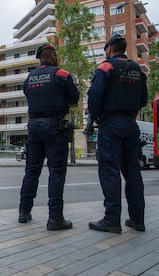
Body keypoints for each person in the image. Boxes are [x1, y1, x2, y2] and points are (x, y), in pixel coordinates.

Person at [87, 35, 147, 234]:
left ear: (110, 48)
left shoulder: (106, 67)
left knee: (110, 170)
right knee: (132, 171)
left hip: (111, 124)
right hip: (131, 124)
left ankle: (112, 219)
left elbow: (94, 96)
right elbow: (143, 99)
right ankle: (138, 219)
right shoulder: (138, 69)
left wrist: (95, 118)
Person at [19, 44, 79, 231]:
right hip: (54, 127)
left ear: (39, 58)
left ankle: (24, 212)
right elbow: (74, 98)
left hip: (34, 127)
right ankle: (55, 218)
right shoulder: (61, 74)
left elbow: (28, 95)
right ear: (52, 55)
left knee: (31, 171)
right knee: (57, 172)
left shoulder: (30, 78)